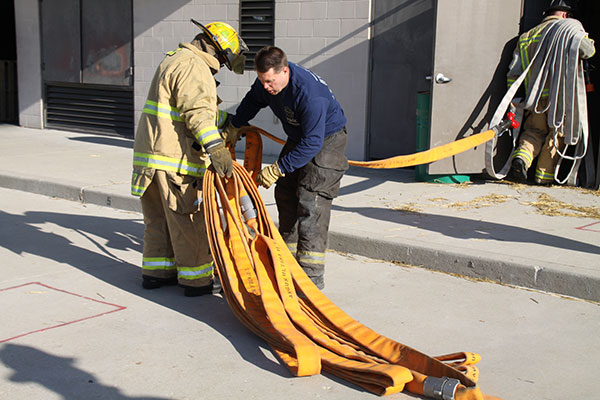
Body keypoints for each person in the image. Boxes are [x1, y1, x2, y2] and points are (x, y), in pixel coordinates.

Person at [131, 20, 247, 296]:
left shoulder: (174, 59)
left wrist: (227, 120)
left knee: (158, 220)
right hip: (176, 161)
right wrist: (217, 149)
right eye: (223, 60)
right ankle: (197, 281)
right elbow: (197, 114)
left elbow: (181, 110)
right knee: (190, 223)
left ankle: (156, 273)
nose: (220, 65)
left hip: (152, 159)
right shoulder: (195, 67)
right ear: (218, 52)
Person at [223, 46, 348, 290]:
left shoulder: (310, 95)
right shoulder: (266, 83)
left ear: (285, 71)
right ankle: (287, 264)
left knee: (310, 200)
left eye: (270, 81)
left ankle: (311, 279)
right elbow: (252, 101)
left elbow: (313, 142)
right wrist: (235, 124)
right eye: (262, 80)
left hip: (327, 140)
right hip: (300, 137)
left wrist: (279, 167)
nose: (267, 87)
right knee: (285, 193)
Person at [507, 0, 595, 185]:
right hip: (560, 97)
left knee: (533, 131)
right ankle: (543, 179)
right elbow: (588, 52)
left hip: (535, 97)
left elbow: (514, 72)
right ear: (565, 15)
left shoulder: (526, 37)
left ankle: (521, 159)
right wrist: (583, 36)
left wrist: (515, 98)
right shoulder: (569, 31)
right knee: (557, 135)